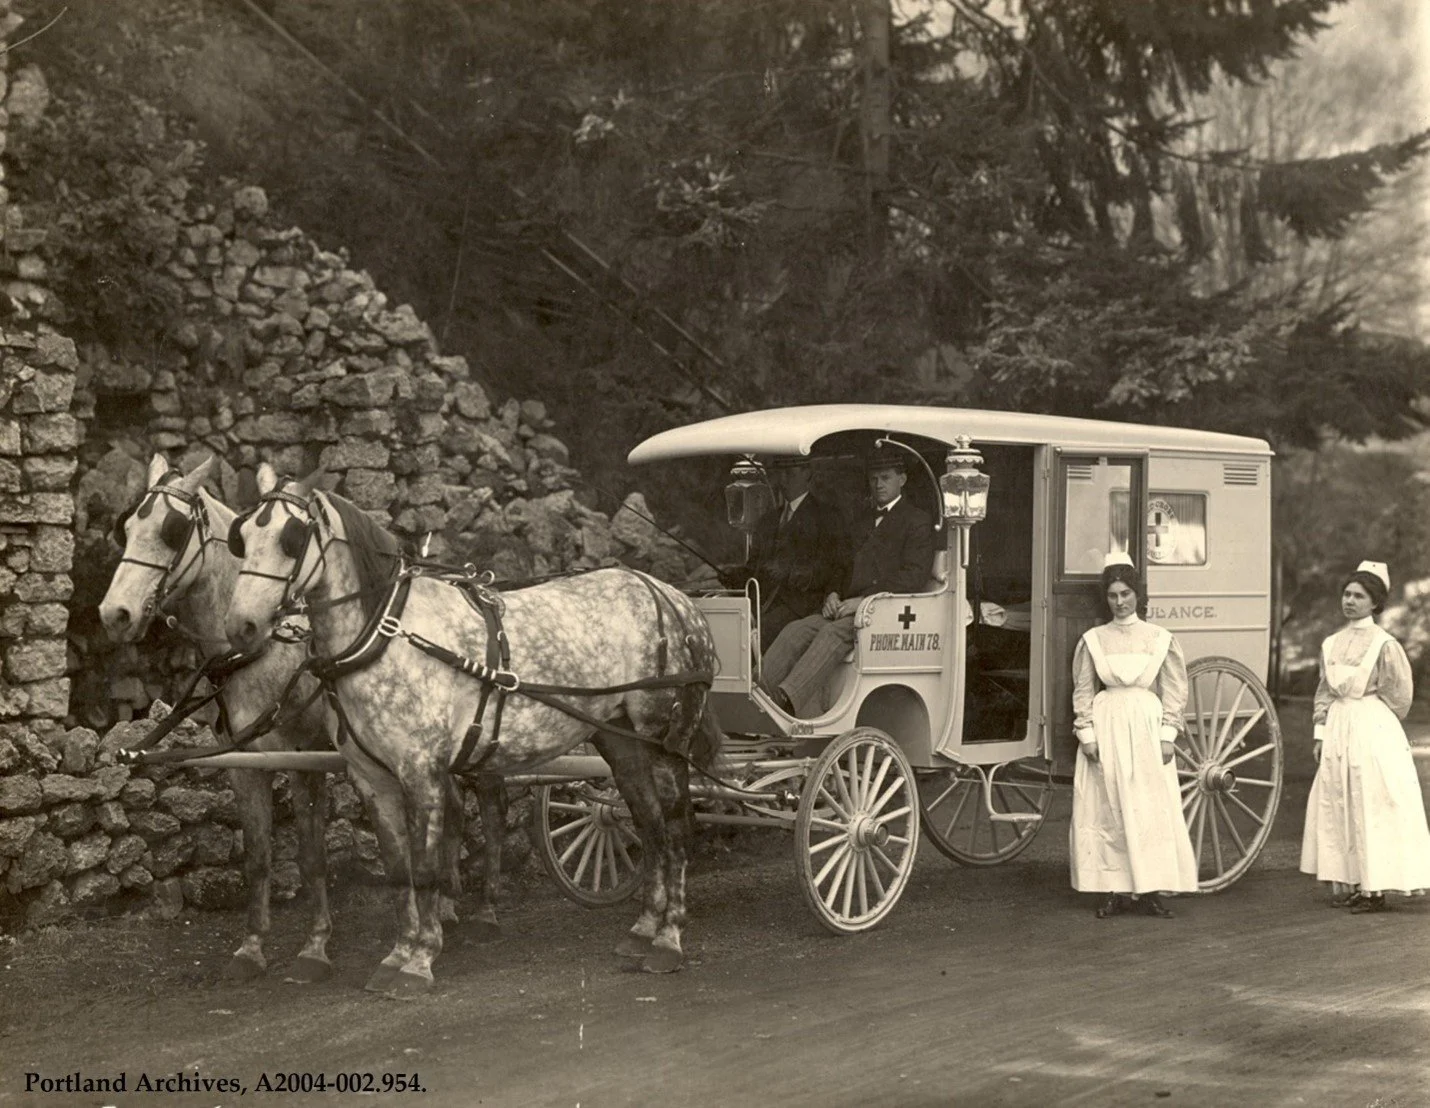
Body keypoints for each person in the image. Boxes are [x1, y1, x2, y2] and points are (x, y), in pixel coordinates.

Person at [760, 448, 935, 717]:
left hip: (882, 610)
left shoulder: (916, 521)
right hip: (847, 606)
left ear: (902, 479)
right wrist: (832, 593)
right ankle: (758, 692)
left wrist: (863, 601)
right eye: (874, 478)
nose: (878, 484)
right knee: (797, 629)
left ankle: (785, 701)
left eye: (885, 478)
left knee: (832, 633)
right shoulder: (861, 520)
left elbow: (913, 575)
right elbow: (841, 565)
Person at [1070, 552, 1198, 919]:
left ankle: (1151, 889)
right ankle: (1113, 889)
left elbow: (1174, 690)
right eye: (1113, 595)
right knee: (1108, 805)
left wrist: (1168, 734)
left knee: (1148, 806)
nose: (1120, 601)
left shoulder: (1159, 638)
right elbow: (1083, 689)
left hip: (1145, 725)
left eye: (1126, 593)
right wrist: (1086, 732)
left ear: (1137, 595)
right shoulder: (1094, 640)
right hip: (1107, 722)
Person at [1300, 561, 1430, 913]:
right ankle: (1355, 882)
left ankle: (1375, 889)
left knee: (1371, 801)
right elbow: (1324, 691)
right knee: (1341, 800)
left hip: (1373, 727)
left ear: (1375, 603)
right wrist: (1321, 733)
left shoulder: (1385, 645)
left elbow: (1399, 695)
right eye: (1347, 594)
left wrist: (1373, 721)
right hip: (1338, 726)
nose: (1350, 601)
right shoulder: (1331, 643)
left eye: (1359, 596)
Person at [724, 458, 848, 650]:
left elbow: (836, 566)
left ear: (807, 473)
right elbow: (754, 569)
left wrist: (791, 571)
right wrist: (731, 575)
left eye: (789, 473)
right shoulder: (769, 521)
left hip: (802, 608)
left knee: (747, 640)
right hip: (762, 605)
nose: (783, 479)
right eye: (780, 473)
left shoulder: (826, 517)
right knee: (727, 628)